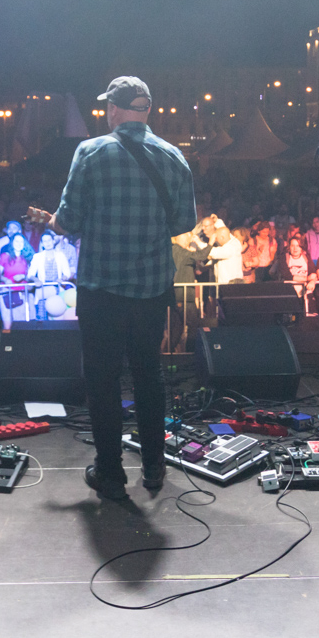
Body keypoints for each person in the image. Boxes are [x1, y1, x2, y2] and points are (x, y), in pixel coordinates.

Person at [31, 76, 197, 501]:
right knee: (149, 376)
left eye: (108, 106)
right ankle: (155, 467)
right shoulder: (174, 156)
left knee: (103, 381)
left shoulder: (90, 152)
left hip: (101, 290)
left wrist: (49, 221)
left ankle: (109, 473)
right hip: (150, 291)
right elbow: (183, 223)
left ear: (116, 110)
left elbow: (68, 221)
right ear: (147, 110)